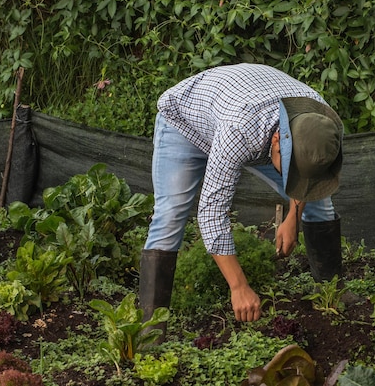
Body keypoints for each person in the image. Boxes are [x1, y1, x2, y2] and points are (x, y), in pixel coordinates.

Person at [139, 63, 344, 340]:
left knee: (320, 202)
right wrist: (239, 287)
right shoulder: (240, 131)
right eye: (291, 171)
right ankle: (150, 332)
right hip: (185, 125)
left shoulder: (319, 123)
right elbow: (212, 212)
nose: (296, 180)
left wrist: (293, 215)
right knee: (170, 215)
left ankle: (331, 291)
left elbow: (311, 174)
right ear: (276, 141)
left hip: (241, 112)